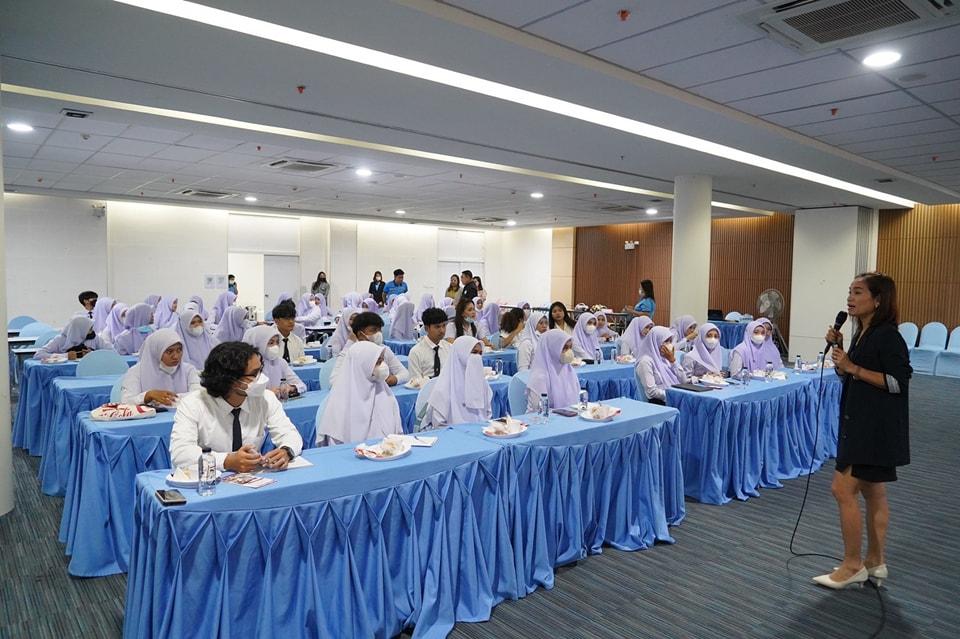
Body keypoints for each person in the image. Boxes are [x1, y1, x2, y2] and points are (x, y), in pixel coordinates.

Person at [813, 272, 911, 590]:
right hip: (862, 420)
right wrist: (842, 352)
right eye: (849, 292)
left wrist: (853, 367)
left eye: (858, 292)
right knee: (872, 491)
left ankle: (852, 565)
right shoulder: (862, 333)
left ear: (878, 300)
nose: (850, 298)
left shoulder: (887, 336)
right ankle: (875, 561)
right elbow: (852, 376)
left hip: (872, 427)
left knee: (842, 489)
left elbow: (897, 382)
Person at [169, 341, 303, 471]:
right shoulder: (193, 404)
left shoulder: (265, 398)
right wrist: (227, 461)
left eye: (260, 370)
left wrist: (286, 451)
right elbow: (180, 453)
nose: (262, 377)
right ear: (231, 380)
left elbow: (289, 433)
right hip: (211, 478)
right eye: (254, 374)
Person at [315, 341, 403, 445]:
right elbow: (335, 446)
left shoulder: (386, 394)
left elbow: (397, 434)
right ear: (363, 366)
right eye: (378, 362)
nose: (383, 366)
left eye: (382, 361)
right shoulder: (339, 403)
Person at [421, 336, 492, 429]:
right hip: (452, 434)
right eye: (474, 352)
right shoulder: (444, 387)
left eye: (480, 353)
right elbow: (439, 424)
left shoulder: (483, 383)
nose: (477, 357)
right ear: (461, 354)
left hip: (480, 431)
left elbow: (487, 414)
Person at [120, 328, 201, 405]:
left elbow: (198, 394)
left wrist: (171, 399)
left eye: (179, 350)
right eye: (169, 351)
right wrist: (147, 395)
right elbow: (126, 401)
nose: (176, 356)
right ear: (157, 351)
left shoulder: (188, 370)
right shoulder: (136, 372)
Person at [330, 312, 409, 387]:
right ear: (360, 334)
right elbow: (334, 381)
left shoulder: (384, 350)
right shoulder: (350, 353)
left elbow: (405, 373)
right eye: (373, 330)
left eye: (380, 330)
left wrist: (395, 379)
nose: (378, 334)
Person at [526, 328, 581, 411]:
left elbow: (577, 400)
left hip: (567, 415)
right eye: (565, 348)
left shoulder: (569, 371)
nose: (569, 352)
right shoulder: (539, 377)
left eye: (570, 347)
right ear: (552, 349)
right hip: (541, 417)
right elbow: (539, 410)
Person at [244, 325, 307, 397]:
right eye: (271, 343)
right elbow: (245, 392)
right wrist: (267, 393)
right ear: (258, 344)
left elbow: (302, 386)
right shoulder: (247, 365)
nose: (275, 346)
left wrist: (291, 388)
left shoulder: (280, 362)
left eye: (277, 342)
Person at [636, 326, 688, 405]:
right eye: (666, 341)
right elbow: (651, 392)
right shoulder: (645, 362)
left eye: (670, 341)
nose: (669, 345)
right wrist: (673, 396)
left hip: (674, 397)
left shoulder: (665, 358)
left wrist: (673, 361)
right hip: (660, 402)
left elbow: (684, 381)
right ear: (656, 341)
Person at [34, 316, 106, 360]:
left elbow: (110, 351)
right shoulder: (60, 340)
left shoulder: (93, 338)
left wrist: (92, 354)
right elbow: (38, 354)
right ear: (80, 330)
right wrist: (65, 356)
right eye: (89, 329)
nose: (92, 331)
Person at [407, 308, 450, 380]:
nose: (442, 330)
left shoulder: (450, 348)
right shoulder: (416, 352)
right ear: (426, 328)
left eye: (444, 326)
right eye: (437, 327)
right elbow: (415, 381)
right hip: (424, 386)